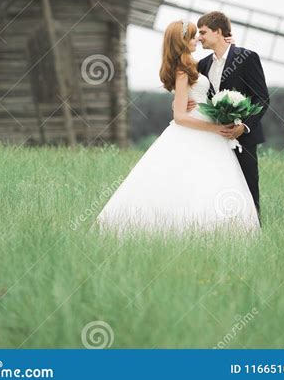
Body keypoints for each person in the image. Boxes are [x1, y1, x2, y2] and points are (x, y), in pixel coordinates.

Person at [95, 20, 260, 236]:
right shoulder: (183, 70)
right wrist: (214, 128)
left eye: (198, 35)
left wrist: (228, 46)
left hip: (207, 128)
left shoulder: (193, 65)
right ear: (182, 41)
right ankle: (186, 227)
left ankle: (213, 228)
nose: (197, 40)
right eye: (192, 36)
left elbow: (218, 68)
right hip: (197, 130)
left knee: (207, 180)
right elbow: (180, 117)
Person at [189, 11, 270, 222]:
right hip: (214, 137)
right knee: (217, 186)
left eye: (203, 32)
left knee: (248, 187)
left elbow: (261, 98)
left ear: (217, 32)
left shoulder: (247, 58)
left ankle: (255, 229)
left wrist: (244, 126)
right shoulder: (203, 65)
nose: (199, 37)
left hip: (244, 137)